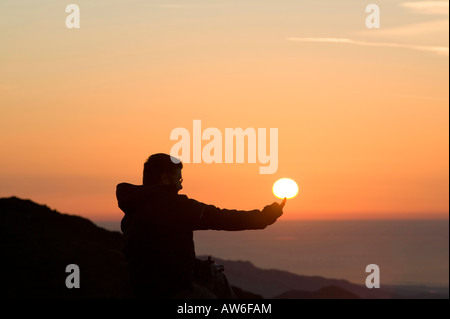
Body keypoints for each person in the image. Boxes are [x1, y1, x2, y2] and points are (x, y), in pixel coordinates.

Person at [116, 153, 285, 298]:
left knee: (216, 278)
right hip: (170, 291)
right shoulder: (175, 206)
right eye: (178, 179)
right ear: (165, 178)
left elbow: (156, 254)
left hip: (140, 287)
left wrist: (196, 267)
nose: (181, 185)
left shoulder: (133, 208)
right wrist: (264, 217)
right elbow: (220, 217)